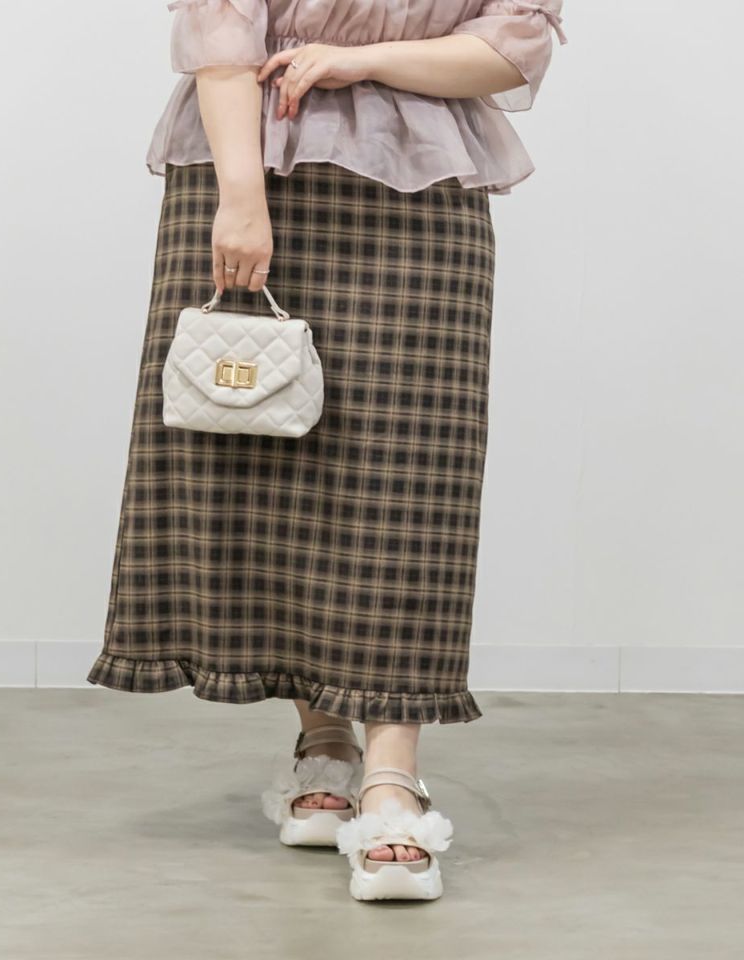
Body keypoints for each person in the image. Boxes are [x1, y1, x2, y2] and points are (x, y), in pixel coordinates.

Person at [87, 0, 567, 902]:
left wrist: (362, 61)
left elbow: (511, 49)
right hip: (253, 175)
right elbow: (222, 42)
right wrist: (241, 199)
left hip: (424, 191)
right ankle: (325, 742)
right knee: (276, 465)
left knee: (409, 476)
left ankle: (392, 776)